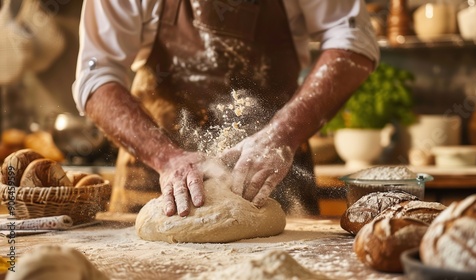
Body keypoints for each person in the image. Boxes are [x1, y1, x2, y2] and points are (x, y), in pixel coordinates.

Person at [73, 0, 380, 217]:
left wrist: (281, 135)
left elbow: (353, 39)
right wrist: (165, 157)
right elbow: (97, 73)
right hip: (155, 175)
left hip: (271, 173)